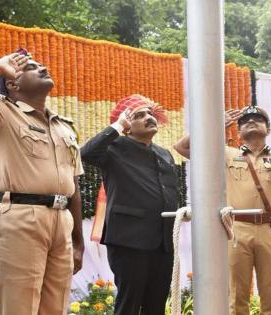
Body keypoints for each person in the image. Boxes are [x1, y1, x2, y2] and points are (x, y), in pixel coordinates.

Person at [0, 49, 84, 315]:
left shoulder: (63, 127)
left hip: (61, 220)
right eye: (32, 67)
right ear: (12, 83)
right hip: (19, 217)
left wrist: (78, 242)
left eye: (42, 64)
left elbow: (74, 186)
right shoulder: (0, 112)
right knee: (18, 309)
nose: (42, 68)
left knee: (54, 309)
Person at [174, 106, 271, 315]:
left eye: (258, 119)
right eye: (245, 121)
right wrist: (215, 124)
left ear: (268, 128)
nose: (251, 122)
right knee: (237, 297)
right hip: (237, 230)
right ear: (238, 132)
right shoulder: (225, 154)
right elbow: (182, 147)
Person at [80, 94, 177, 315]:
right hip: (129, 240)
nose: (149, 117)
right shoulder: (114, 147)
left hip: (163, 241)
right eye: (139, 115)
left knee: (157, 303)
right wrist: (116, 127)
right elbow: (86, 153)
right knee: (130, 303)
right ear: (127, 126)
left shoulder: (164, 153)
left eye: (150, 113)